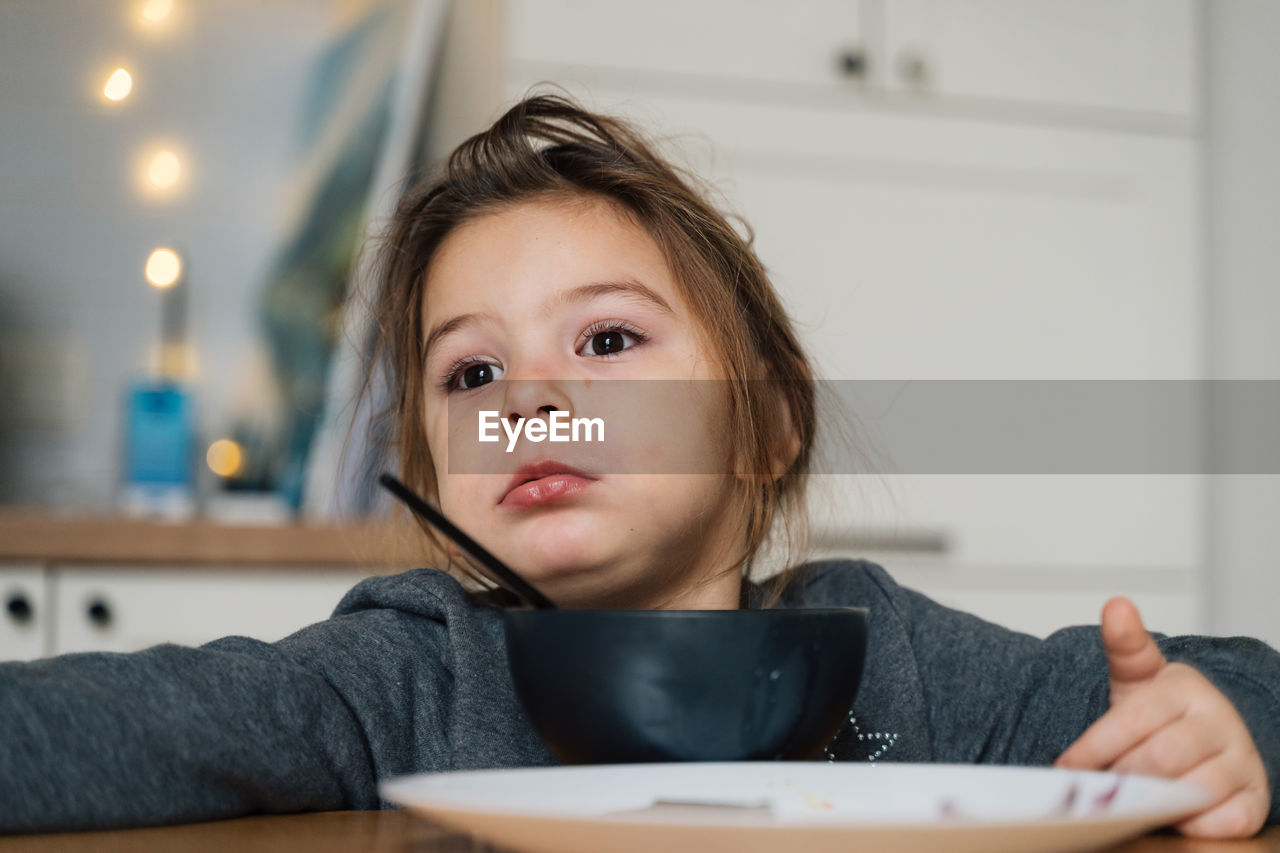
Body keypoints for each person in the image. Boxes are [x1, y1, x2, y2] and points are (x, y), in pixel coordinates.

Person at [2, 93, 1277, 839]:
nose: (533, 400)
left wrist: (1223, 727)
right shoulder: (408, 672)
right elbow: (115, 722)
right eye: (471, 376)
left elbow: (1233, 689)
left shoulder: (899, 661)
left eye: (605, 340)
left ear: (768, 425)